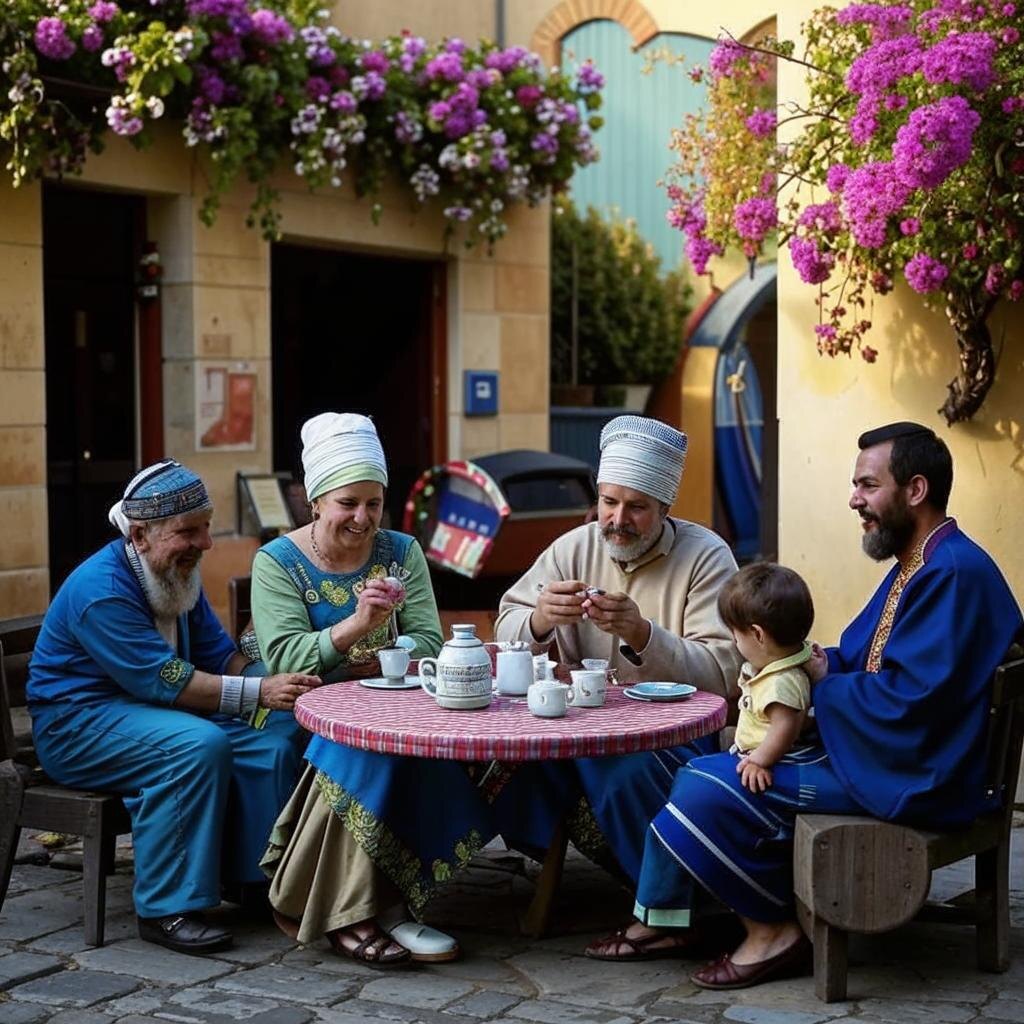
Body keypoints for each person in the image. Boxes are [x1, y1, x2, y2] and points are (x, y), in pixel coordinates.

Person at [616, 421, 1023, 990]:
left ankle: (772, 931)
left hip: (917, 776)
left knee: (705, 786)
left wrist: (818, 689)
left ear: (916, 490)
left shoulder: (950, 573)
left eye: (867, 485)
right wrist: (807, 666)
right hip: (894, 755)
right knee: (698, 770)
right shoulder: (925, 561)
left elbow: (912, 702)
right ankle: (740, 912)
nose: (855, 500)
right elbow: (860, 659)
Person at [254, 413, 567, 967]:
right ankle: (359, 912)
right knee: (358, 749)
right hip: (301, 710)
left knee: (420, 751)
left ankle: (388, 905)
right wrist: (357, 626)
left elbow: (427, 638)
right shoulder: (277, 562)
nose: (363, 517)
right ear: (316, 501)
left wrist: (387, 654)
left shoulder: (401, 550)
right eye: (348, 503)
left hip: (397, 702)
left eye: (374, 503)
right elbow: (285, 659)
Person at [27, 460, 319, 955]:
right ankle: (167, 907)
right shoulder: (100, 591)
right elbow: (167, 682)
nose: (205, 543)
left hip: (152, 711)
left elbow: (216, 653)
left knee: (278, 729)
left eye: (206, 527)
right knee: (194, 746)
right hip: (77, 725)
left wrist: (277, 686)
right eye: (190, 531)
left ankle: (254, 878)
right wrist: (258, 692)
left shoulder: (175, 571)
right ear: (140, 534)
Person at [495, 414, 743, 956]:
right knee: (503, 757)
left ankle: (673, 912)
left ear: (664, 509)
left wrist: (642, 634)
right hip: (580, 723)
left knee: (618, 762)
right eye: (609, 502)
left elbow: (727, 669)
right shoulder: (572, 548)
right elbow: (506, 626)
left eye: (636, 507)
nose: (617, 519)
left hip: (674, 734)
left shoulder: (706, 557)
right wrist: (539, 619)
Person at [717, 562, 816, 795]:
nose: (734, 642)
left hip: (774, 760)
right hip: (755, 751)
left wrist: (759, 761)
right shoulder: (784, 663)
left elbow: (785, 726)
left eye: (736, 634)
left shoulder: (781, 682)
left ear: (758, 634)